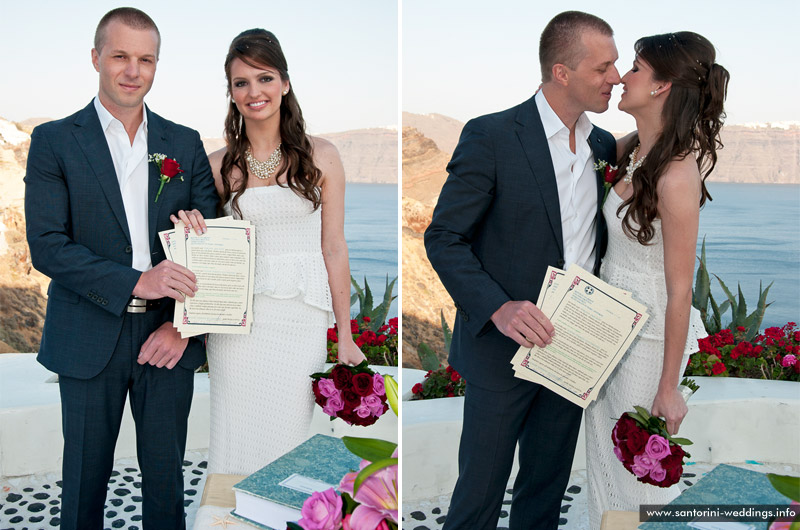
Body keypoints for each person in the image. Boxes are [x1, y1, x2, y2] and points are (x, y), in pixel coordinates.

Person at [24, 8, 218, 530]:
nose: (133, 71)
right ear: (96, 59)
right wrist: (137, 280)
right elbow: (47, 246)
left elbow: (215, 251)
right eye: (121, 57)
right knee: (85, 482)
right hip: (87, 334)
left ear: (157, 66)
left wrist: (181, 326)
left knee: (164, 483)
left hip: (167, 337)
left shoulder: (184, 143)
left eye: (146, 59)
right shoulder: (55, 141)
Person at [424, 11, 620, 530]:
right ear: (562, 72)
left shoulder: (602, 146)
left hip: (572, 348)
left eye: (617, 66)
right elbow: (443, 237)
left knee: (545, 490)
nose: (615, 78)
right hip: (499, 350)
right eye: (603, 68)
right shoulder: (491, 135)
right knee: (479, 495)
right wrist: (499, 307)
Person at [172, 29, 366, 475]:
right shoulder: (218, 164)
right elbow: (201, 241)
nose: (254, 92)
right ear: (231, 93)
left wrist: (346, 335)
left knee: (290, 437)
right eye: (241, 83)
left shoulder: (323, 156)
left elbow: (334, 248)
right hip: (237, 326)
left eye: (264, 78)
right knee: (234, 436)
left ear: (285, 83)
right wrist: (188, 225)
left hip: (302, 321)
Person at [585, 32, 729, 527]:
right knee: (603, 466)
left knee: (633, 474)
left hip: (645, 343)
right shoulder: (632, 151)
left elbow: (681, 291)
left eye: (637, 69)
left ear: (663, 86)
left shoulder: (676, 175)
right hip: (607, 330)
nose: (623, 77)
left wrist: (669, 387)